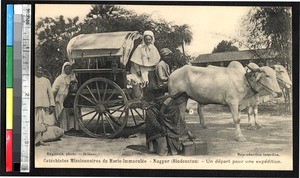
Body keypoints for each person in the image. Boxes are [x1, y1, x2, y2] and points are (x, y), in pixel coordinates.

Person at [52, 62, 79, 132]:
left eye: (69, 69)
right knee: (63, 112)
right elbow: (54, 89)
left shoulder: (73, 77)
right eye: (67, 69)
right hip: (61, 98)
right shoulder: (60, 78)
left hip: (71, 97)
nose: (68, 70)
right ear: (64, 69)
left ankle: (73, 127)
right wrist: (52, 99)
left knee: (72, 112)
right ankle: (64, 128)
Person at [35, 65, 55, 146]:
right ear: (35, 70)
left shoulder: (46, 81)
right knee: (36, 123)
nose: (40, 72)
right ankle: (34, 140)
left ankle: (41, 140)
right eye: (38, 70)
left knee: (43, 123)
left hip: (44, 104)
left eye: (41, 70)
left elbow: (50, 93)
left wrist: (52, 104)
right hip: (35, 104)